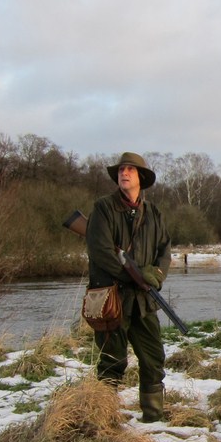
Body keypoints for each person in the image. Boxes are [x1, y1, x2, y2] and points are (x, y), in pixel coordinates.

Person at [86, 152, 172, 422]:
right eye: (121, 169)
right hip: (112, 299)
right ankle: (102, 420)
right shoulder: (103, 208)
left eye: (130, 170)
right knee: (112, 362)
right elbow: (100, 252)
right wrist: (133, 276)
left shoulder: (153, 213)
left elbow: (164, 251)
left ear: (141, 178)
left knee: (154, 358)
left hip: (144, 300)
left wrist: (155, 274)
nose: (124, 173)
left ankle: (153, 419)